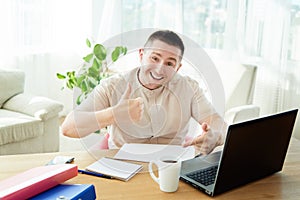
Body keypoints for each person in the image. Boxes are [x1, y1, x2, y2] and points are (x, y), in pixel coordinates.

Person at [62, 30, 227, 155]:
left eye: (170, 63)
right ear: (142, 55)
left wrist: (214, 135)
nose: (160, 69)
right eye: (154, 58)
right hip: (123, 162)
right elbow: (68, 128)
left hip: (171, 165)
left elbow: (218, 123)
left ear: (178, 67)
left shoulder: (188, 87)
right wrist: (114, 114)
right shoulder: (112, 86)